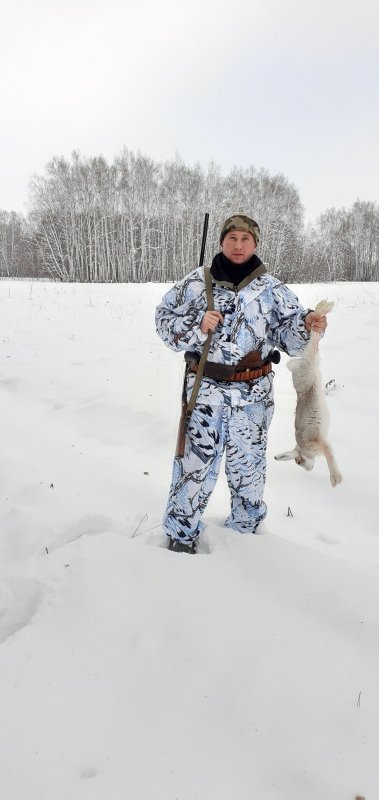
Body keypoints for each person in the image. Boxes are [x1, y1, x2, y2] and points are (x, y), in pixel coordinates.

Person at [155, 214, 327, 554]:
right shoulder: (196, 282)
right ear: (221, 242)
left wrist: (308, 324)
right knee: (195, 466)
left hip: (253, 398)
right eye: (231, 238)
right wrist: (196, 323)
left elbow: (292, 339)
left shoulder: (273, 290)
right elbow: (163, 320)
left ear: (255, 244)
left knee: (249, 468)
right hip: (204, 394)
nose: (237, 245)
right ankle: (181, 536)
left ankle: (245, 539)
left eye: (245, 239)